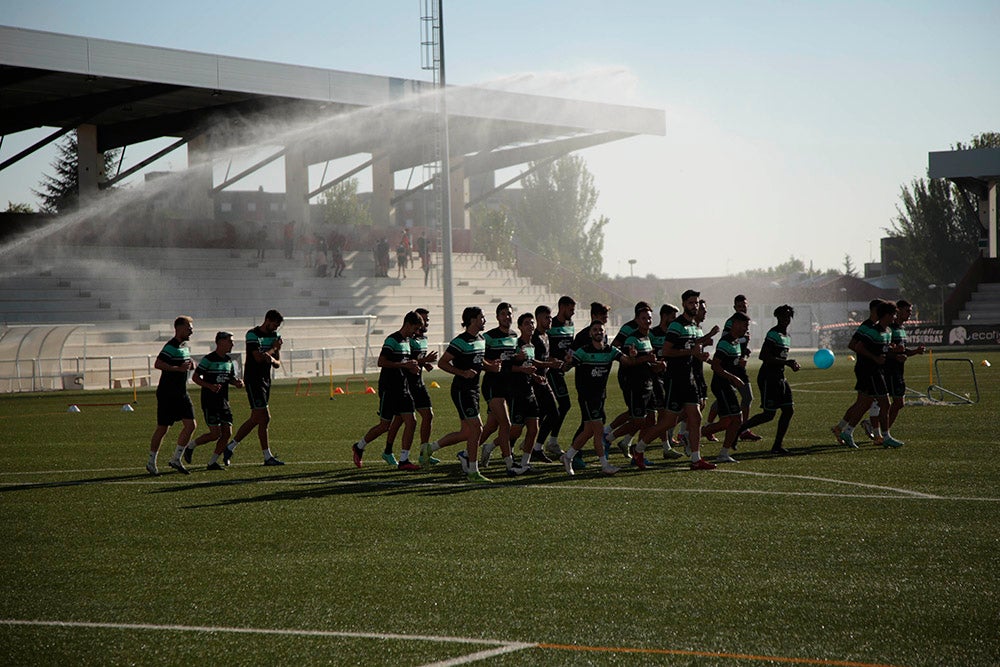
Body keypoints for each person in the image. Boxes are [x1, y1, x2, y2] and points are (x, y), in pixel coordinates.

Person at [633, 290, 715, 470]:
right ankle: (638, 449)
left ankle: (696, 459)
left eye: (697, 302)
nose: (695, 305)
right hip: (675, 379)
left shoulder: (694, 326)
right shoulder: (676, 326)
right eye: (692, 302)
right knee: (668, 422)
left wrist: (701, 354)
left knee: (696, 417)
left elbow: (692, 350)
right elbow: (667, 352)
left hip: (690, 378)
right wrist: (691, 352)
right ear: (684, 303)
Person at [421, 307, 500, 483]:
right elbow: (442, 363)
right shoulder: (460, 341)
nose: (485, 321)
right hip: (461, 390)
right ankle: (472, 470)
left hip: (474, 389)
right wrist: (462, 373)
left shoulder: (481, 339)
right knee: (477, 428)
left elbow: (480, 361)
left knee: (466, 432)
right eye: (482, 317)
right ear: (472, 320)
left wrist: (491, 366)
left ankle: (430, 448)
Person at [559, 320, 642, 476]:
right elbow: (566, 367)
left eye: (600, 330)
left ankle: (568, 456)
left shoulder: (611, 351)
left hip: (600, 397)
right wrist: (567, 362)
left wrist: (632, 357)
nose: (598, 332)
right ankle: (605, 465)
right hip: (587, 397)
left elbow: (628, 362)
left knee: (588, 431)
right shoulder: (583, 351)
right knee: (598, 430)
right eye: (595, 329)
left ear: (605, 332)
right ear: (590, 333)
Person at [352, 312, 423, 470]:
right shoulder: (392, 340)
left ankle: (404, 460)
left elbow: (403, 362)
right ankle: (359, 446)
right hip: (389, 388)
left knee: (411, 422)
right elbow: (381, 362)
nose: (416, 332)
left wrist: (412, 367)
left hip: (402, 387)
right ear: (408, 324)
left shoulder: (407, 341)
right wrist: (404, 365)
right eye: (416, 328)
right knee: (385, 426)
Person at [830, 301, 904, 449]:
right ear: (886, 314)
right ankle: (884, 436)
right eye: (894, 314)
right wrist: (875, 358)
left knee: (865, 403)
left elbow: (883, 350)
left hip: (878, 371)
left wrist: (894, 353)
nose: (896, 317)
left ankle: (847, 431)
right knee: (884, 403)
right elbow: (857, 346)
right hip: (870, 371)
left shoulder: (888, 331)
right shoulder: (871, 329)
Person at [737, 304, 801, 455]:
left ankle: (777, 446)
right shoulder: (773, 334)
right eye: (782, 316)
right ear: (777, 317)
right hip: (768, 377)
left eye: (787, 316)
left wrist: (790, 363)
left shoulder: (787, 337)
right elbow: (764, 356)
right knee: (768, 414)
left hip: (780, 376)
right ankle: (739, 429)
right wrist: (787, 362)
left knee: (788, 409)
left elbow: (781, 357)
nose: (785, 318)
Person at [225, 310, 286, 466]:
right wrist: (273, 349)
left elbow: (277, 363)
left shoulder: (275, 337)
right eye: (274, 325)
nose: (275, 329)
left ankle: (230, 447)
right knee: (265, 417)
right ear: (267, 320)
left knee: (257, 419)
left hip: (266, 380)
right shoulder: (252, 334)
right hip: (253, 379)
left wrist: (274, 353)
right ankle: (267, 456)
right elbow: (258, 358)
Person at [478, 302, 529, 476]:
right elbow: (480, 360)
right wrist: (491, 365)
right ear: (497, 316)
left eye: (509, 314)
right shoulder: (488, 337)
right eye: (503, 314)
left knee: (492, 426)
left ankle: (467, 453)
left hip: (508, 386)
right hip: (493, 385)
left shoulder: (515, 335)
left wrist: (518, 358)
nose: (507, 317)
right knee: (506, 425)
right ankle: (509, 463)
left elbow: (511, 359)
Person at [383, 308, 438, 466]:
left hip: (419, 383)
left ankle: (423, 453)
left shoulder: (423, 338)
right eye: (424, 320)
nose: (426, 323)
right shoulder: (409, 338)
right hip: (406, 384)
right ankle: (388, 450)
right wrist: (423, 361)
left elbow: (415, 359)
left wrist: (425, 363)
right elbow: (408, 361)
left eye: (427, 320)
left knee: (428, 415)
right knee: (400, 419)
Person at [704, 295, 761, 442]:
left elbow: (745, 348)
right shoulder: (732, 323)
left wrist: (745, 358)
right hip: (730, 366)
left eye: (745, 305)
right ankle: (739, 429)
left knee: (730, 398)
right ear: (735, 307)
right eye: (740, 306)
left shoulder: (745, 323)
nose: (743, 308)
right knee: (741, 397)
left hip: (738, 365)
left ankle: (739, 429)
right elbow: (728, 340)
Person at [185, 331, 244, 470]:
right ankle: (190, 446)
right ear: (220, 342)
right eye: (230, 341)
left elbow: (229, 378)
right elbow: (195, 378)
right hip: (209, 401)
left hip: (223, 402)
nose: (232, 344)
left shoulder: (228, 360)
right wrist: (209, 386)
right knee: (214, 434)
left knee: (227, 433)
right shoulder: (209, 359)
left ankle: (212, 462)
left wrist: (236, 383)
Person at [146, 316, 197, 476]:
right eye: (189, 327)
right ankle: (151, 462)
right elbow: (158, 364)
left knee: (191, 425)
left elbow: (185, 362)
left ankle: (176, 458)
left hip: (181, 392)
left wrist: (192, 364)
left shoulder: (184, 346)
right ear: (180, 328)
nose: (191, 330)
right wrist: (177, 368)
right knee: (163, 428)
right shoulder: (171, 345)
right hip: (167, 393)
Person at [701, 312, 751, 463]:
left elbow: (728, 364)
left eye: (747, 326)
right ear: (735, 324)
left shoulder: (736, 342)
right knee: (736, 419)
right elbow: (716, 366)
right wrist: (733, 378)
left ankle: (693, 436)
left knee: (726, 422)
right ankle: (722, 453)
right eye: (744, 325)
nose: (745, 329)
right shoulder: (726, 342)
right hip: (721, 385)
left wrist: (740, 363)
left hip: (727, 385)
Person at [536, 296, 576, 459]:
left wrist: (569, 362)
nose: (573, 313)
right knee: (562, 405)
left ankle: (536, 443)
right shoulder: (551, 325)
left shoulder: (570, 325)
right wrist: (552, 361)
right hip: (550, 371)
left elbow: (570, 347)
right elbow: (545, 348)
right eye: (571, 309)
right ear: (562, 307)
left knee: (547, 410)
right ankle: (546, 442)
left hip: (561, 370)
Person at [529, 304, 562, 463]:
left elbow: (542, 359)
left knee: (540, 417)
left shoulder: (546, 336)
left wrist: (551, 361)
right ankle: (533, 448)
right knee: (552, 414)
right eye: (546, 317)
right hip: (535, 382)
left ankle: (534, 447)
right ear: (538, 319)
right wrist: (539, 372)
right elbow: (530, 361)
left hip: (543, 380)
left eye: (550, 317)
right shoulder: (534, 338)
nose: (550, 320)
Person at [886, 300, 925, 432]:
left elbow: (903, 350)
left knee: (897, 403)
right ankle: (879, 430)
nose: (910, 314)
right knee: (890, 402)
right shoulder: (889, 328)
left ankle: (880, 430)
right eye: (907, 311)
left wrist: (916, 351)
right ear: (898, 311)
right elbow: (883, 349)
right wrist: (895, 355)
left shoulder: (902, 329)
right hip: (889, 369)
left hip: (898, 369)